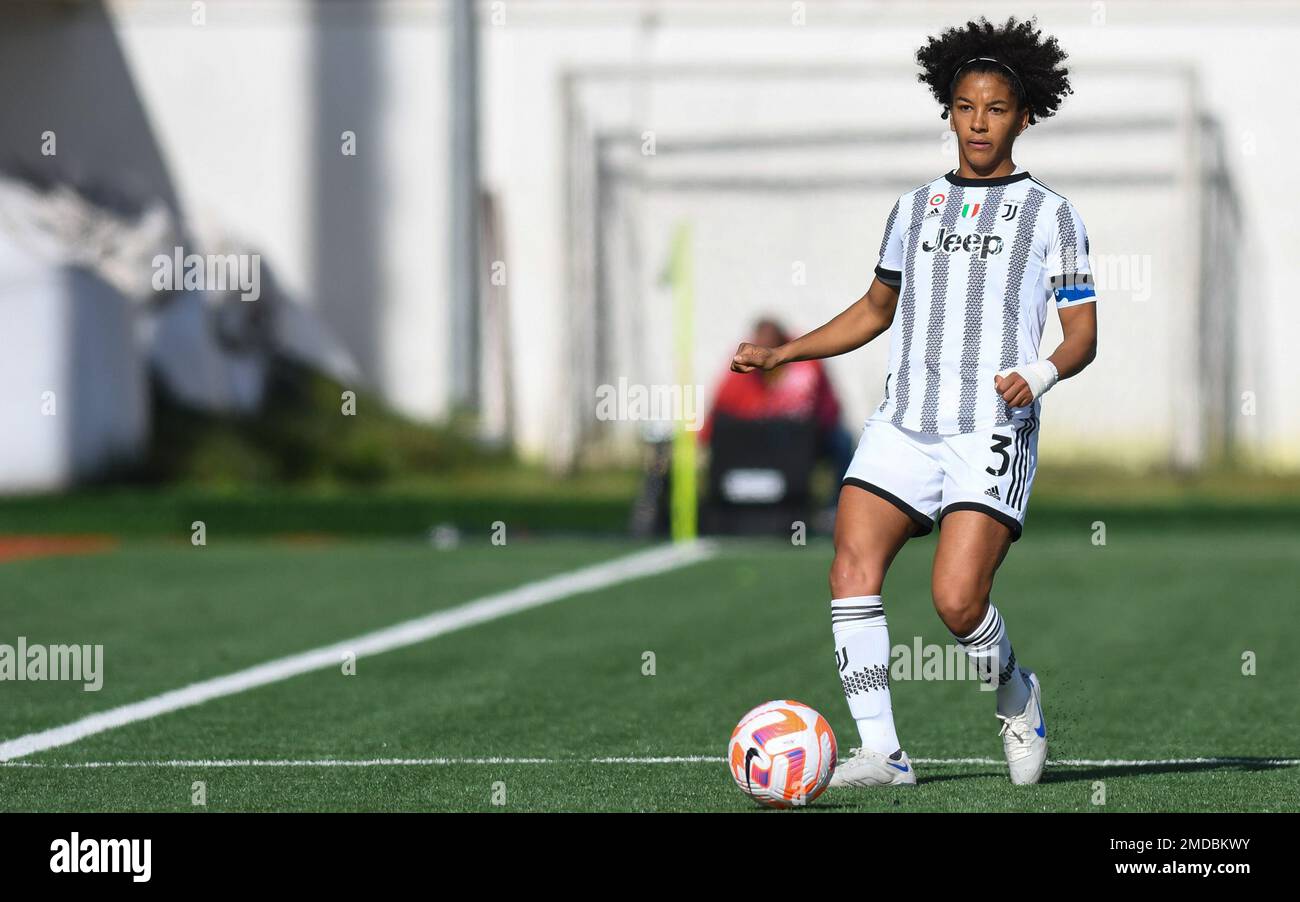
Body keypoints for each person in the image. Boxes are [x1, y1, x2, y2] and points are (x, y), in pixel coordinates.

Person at [729, 17, 1097, 788]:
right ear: (949, 112)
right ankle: (882, 753)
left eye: (996, 109)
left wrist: (1041, 375)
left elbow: (1082, 335)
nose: (979, 122)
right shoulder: (914, 209)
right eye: (966, 107)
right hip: (904, 424)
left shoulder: (1053, 215)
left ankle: (1016, 692)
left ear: (1024, 117)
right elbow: (874, 309)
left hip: (991, 428)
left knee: (957, 603)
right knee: (850, 568)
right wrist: (784, 351)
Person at [700, 318, 853, 498]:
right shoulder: (743, 370)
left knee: (843, 442)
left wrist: (816, 428)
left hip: (807, 437)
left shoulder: (806, 365)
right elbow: (721, 406)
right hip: (764, 442)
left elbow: (828, 404)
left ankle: (835, 504)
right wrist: (703, 436)